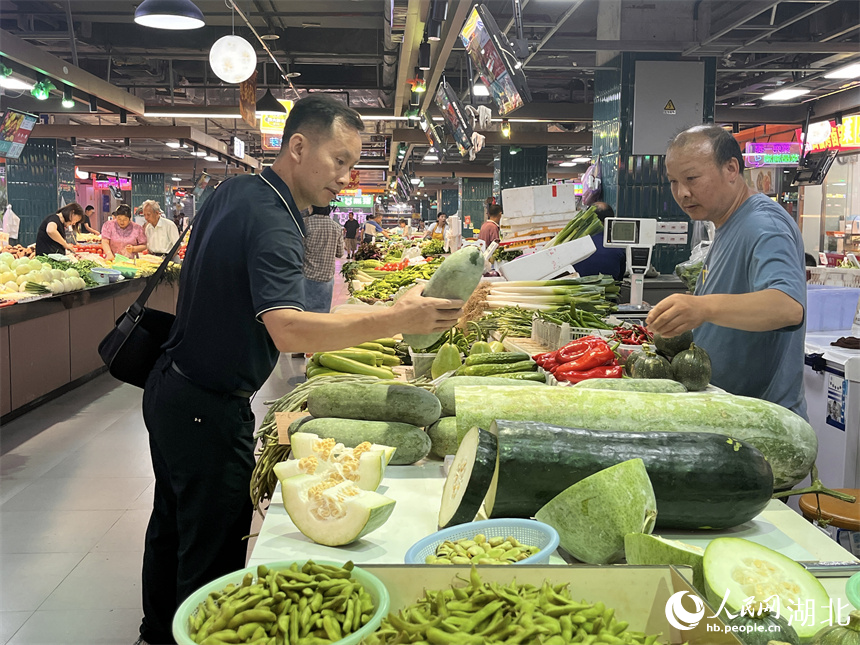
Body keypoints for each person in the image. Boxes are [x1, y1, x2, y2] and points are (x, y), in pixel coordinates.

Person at [136, 93, 463, 645]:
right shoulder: (274, 219)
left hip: (172, 388)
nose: (347, 177)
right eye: (339, 161)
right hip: (208, 410)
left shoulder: (237, 191)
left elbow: (299, 313)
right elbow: (289, 329)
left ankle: (154, 632)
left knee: (170, 525)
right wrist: (393, 319)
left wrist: (390, 309)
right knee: (210, 554)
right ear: (298, 146)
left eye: (353, 164)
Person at [646, 124, 807, 419]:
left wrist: (702, 307)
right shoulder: (726, 223)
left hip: (763, 427)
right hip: (728, 415)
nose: (682, 193)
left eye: (692, 178)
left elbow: (787, 307)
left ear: (731, 168)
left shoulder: (763, 224)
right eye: (673, 181)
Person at [302, 204, 344, 313]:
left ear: (312, 209)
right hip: (327, 278)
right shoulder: (336, 227)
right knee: (322, 315)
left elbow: (297, 249)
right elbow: (340, 253)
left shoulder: (305, 223)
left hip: (306, 276)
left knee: (304, 315)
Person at [571, 202, 627, 282]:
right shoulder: (618, 245)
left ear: (588, 218)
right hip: (609, 291)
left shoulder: (574, 241)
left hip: (576, 290)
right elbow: (620, 278)